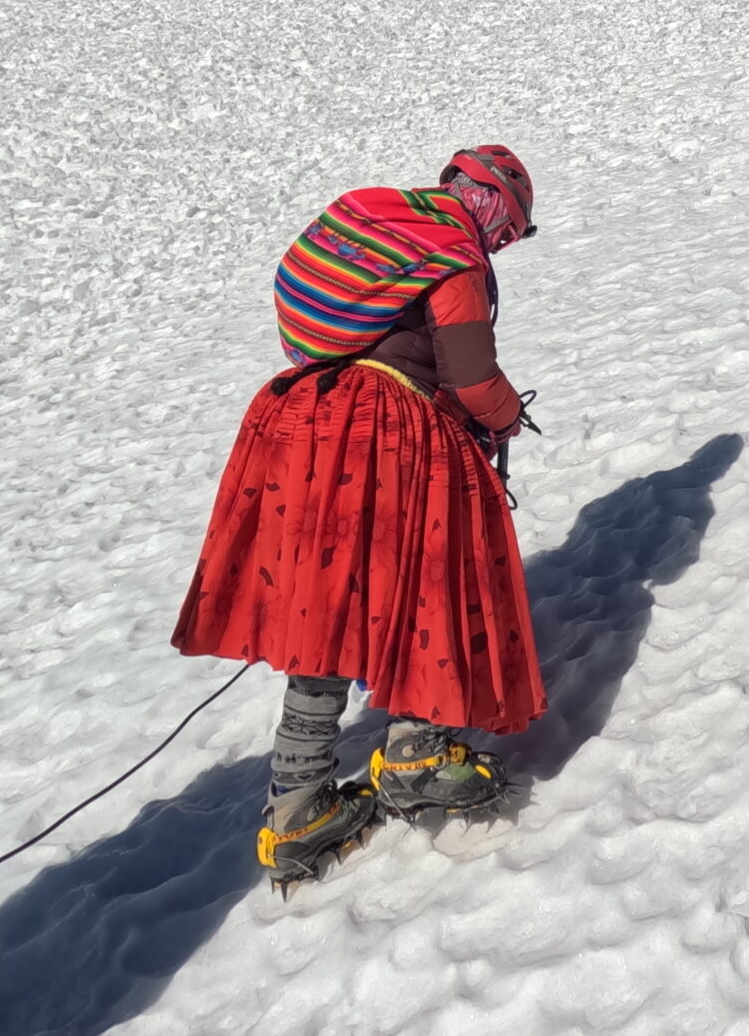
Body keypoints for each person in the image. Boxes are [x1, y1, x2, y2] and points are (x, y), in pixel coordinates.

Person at [172, 147, 545, 890]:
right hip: (387, 427)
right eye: (509, 233)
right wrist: (505, 422)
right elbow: (471, 376)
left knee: (326, 607)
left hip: (303, 422)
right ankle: (417, 749)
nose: (501, 246)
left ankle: (297, 808)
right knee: (428, 577)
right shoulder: (452, 252)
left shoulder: (378, 225)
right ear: (496, 210)